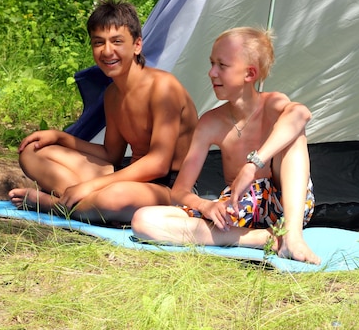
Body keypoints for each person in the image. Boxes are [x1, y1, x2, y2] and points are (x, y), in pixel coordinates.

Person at [131, 27, 320, 264]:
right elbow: (179, 192)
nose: (212, 73)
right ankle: (262, 238)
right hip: (238, 210)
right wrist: (206, 206)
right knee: (143, 221)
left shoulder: (272, 104)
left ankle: (293, 236)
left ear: (249, 74)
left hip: (285, 205)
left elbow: (302, 113)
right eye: (212, 64)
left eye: (222, 65)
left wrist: (252, 166)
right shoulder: (210, 123)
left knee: (293, 131)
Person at [8, 0, 198, 224]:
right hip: (131, 177)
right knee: (32, 153)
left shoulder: (164, 88)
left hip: (170, 188)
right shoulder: (113, 95)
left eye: (117, 41)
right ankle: (77, 201)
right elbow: (111, 155)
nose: (107, 51)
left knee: (113, 196)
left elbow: (159, 163)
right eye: (99, 42)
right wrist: (61, 138)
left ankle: (56, 205)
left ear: (137, 45)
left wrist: (92, 185)